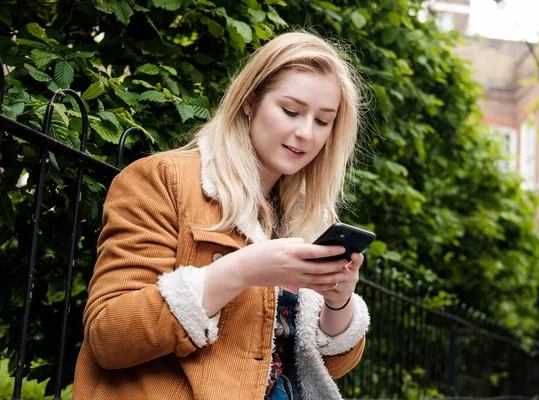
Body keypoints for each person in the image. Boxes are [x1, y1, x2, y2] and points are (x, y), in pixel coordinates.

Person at [73, 30, 371, 400]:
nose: (305, 133)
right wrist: (242, 270)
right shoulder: (163, 180)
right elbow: (108, 336)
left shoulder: (307, 218)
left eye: (323, 121)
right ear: (249, 102)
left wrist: (338, 300)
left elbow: (323, 366)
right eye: (291, 111)